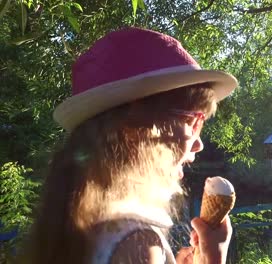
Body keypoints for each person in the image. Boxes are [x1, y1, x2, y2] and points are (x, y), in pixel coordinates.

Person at [20, 27, 238, 264]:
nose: (198, 144)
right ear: (138, 129)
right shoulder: (140, 244)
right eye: (192, 121)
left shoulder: (83, 230)